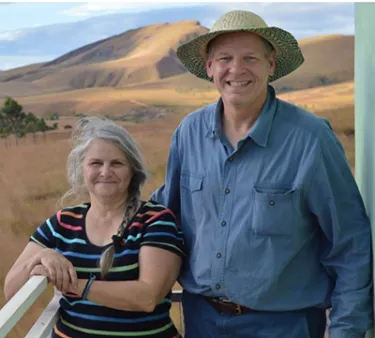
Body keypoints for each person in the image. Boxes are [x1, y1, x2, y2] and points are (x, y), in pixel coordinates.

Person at [152, 9, 373, 338]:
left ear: (271, 65)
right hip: (201, 321)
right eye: (225, 58)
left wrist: (345, 332)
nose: (236, 69)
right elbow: (161, 217)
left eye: (250, 58)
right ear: (210, 67)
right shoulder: (189, 133)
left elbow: (350, 244)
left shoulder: (310, 138)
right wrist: (62, 241)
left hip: (284, 326)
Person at [4, 116, 185, 338]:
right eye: (96, 163)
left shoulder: (155, 220)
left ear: (133, 171)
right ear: (82, 169)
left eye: (117, 163)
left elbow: (146, 297)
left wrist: (74, 285)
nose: (105, 172)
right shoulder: (62, 223)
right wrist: (42, 255)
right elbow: (11, 289)